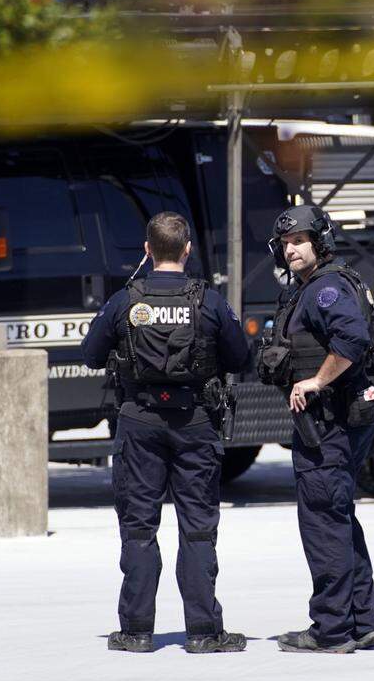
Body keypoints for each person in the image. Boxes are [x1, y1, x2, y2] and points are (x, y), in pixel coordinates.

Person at [82, 211, 250, 654]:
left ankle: (136, 631)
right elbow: (240, 356)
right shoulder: (209, 300)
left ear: (147, 250)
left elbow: (90, 354)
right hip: (196, 423)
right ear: (188, 249)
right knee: (197, 528)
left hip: (139, 423)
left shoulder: (125, 299)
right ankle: (203, 633)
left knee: (139, 528)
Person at [258, 204, 374, 653]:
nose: (291, 250)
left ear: (320, 242)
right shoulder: (321, 284)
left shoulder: (325, 289)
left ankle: (331, 630)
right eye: (285, 244)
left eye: (299, 241)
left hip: (329, 421)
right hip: (342, 417)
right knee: (339, 515)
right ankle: (362, 620)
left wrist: (315, 380)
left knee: (323, 522)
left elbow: (352, 340)